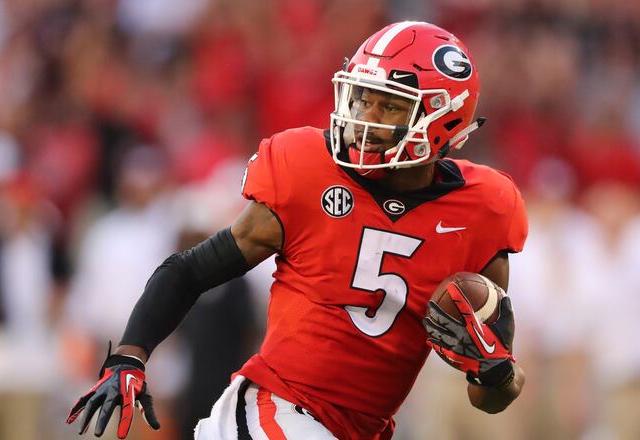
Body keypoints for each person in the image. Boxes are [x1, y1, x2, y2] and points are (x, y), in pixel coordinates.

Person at [66, 21, 528, 440]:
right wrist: (131, 354)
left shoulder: (484, 209)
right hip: (274, 409)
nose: (364, 116)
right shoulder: (308, 168)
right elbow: (191, 271)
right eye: (363, 97)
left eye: (388, 105)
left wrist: (492, 372)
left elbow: (492, 396)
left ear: (444, 119)